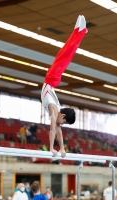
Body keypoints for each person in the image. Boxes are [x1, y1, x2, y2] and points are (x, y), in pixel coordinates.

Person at [41, 15, 87, 157]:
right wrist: (53, 148)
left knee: (67, 52)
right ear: (63, 115)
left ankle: (79, 31)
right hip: (52, 78)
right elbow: (54, 130)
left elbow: (55, 130)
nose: (62, 124)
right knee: (68, 53)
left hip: (52, 79)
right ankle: (80, 31)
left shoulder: (56, 112)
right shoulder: (55, 110)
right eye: (65, 122)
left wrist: (59, 148)